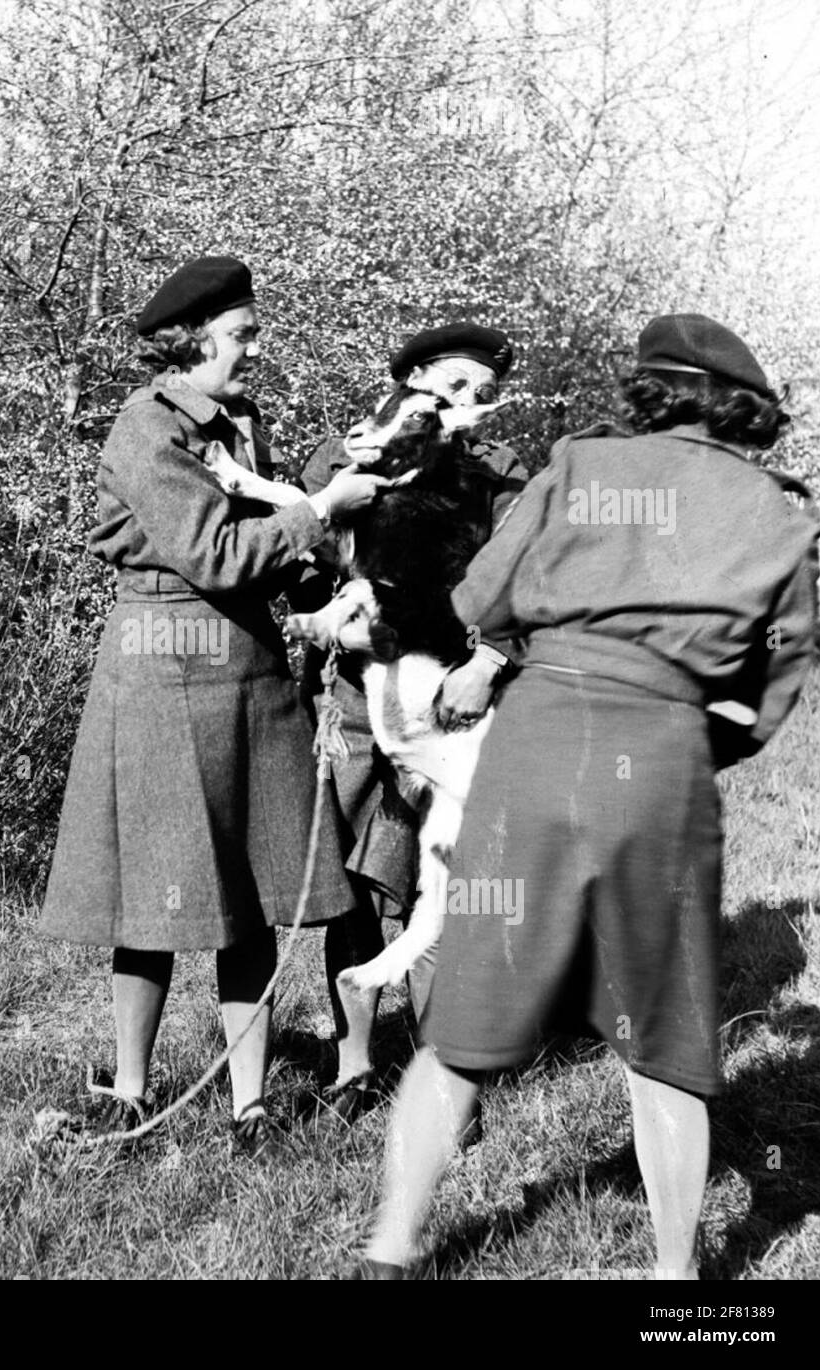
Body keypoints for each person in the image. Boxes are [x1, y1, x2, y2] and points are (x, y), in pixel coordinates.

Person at [350, 313, 820, 1278]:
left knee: (467, 1016)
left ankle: (390, 1253)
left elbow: (480, 597)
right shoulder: (781, 511)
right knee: (664, 1037)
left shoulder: (577, 465)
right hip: (663, 761)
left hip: (540, 741)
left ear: (649, 393)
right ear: (744, 408)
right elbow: (780, 675)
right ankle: (677, 1282)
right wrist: (696, 744)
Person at [38, 255, 390, 1159]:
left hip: (248, 674)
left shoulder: (236, 423)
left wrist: (323, 571)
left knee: (247, 893)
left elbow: (258, 556)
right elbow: (218, 554)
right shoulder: (144, 427)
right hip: (159, 677)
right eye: (242, 336)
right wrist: (314, 509)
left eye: (254, 333)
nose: (255, 351)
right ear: (191, 343)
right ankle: (128, 1089)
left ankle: (250, 1105)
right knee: (146, 906)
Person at [297, 323, 528, 1124]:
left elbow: (533, 576)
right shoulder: (341, 457)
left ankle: (443, 1073)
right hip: (359, 701)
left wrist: (490, 660)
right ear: (417, 382)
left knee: (446, 882)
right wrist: (335, 620)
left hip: (452, 703)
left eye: (484, 395)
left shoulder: (498, 475)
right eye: (456, 387)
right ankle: (353, 1064)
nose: (470, 405)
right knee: (353, 884)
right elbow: (303, 562)